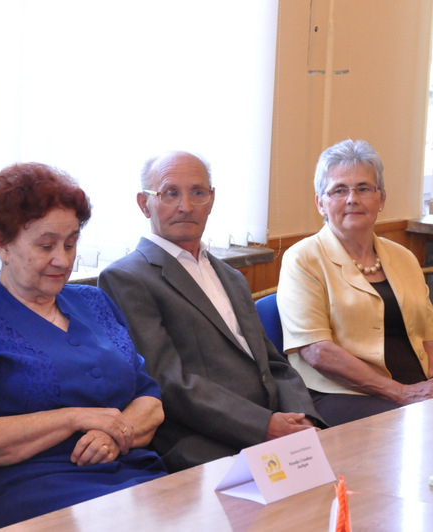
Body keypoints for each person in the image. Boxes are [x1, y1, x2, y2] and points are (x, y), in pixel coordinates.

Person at [0, 162, 167, 531]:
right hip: (30, 490)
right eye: (46, 245)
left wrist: (112, 434)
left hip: (128, 471)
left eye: (70, 243)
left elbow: (149, 400)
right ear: (3, 244)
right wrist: (75, 417)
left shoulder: (93, 301)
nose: (63, 259)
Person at [98, 150, 324, 473]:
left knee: (349, 486)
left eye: (198, 192)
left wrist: (303, 419)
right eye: (170, 193)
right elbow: (167, 381)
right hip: (205, 441)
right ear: (143, 203)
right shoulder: (126, 278)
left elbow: (273, 363)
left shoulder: (230, 276)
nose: (186, 206)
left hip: (276, 428)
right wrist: (264, 426)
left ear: (212, 199)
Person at [277, 139, 433, 426]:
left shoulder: (404, 258)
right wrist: (401, 393)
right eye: (339, 190)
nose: (352, 199)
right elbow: (317, 351)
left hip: (416, 390)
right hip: (340, 394)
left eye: (363, 188)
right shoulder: (303, 259)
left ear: (381, 199)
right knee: (417, 428)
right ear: (320, 203)